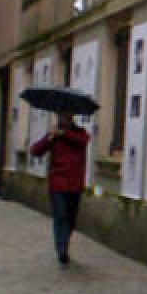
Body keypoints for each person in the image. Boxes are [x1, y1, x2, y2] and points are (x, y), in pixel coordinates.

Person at [29, 111, 90, 266]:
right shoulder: (53, 135)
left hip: (75, 184)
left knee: (71, 219)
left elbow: (83, 141)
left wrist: (64, 133)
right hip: (57, 184)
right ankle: (62, 251)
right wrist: (49, 138)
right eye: (61, 116)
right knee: (60, 215)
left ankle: (64, 243)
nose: (63, 119)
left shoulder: (80, 133)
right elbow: (35, 151)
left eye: (66, 116)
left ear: (71, 117)